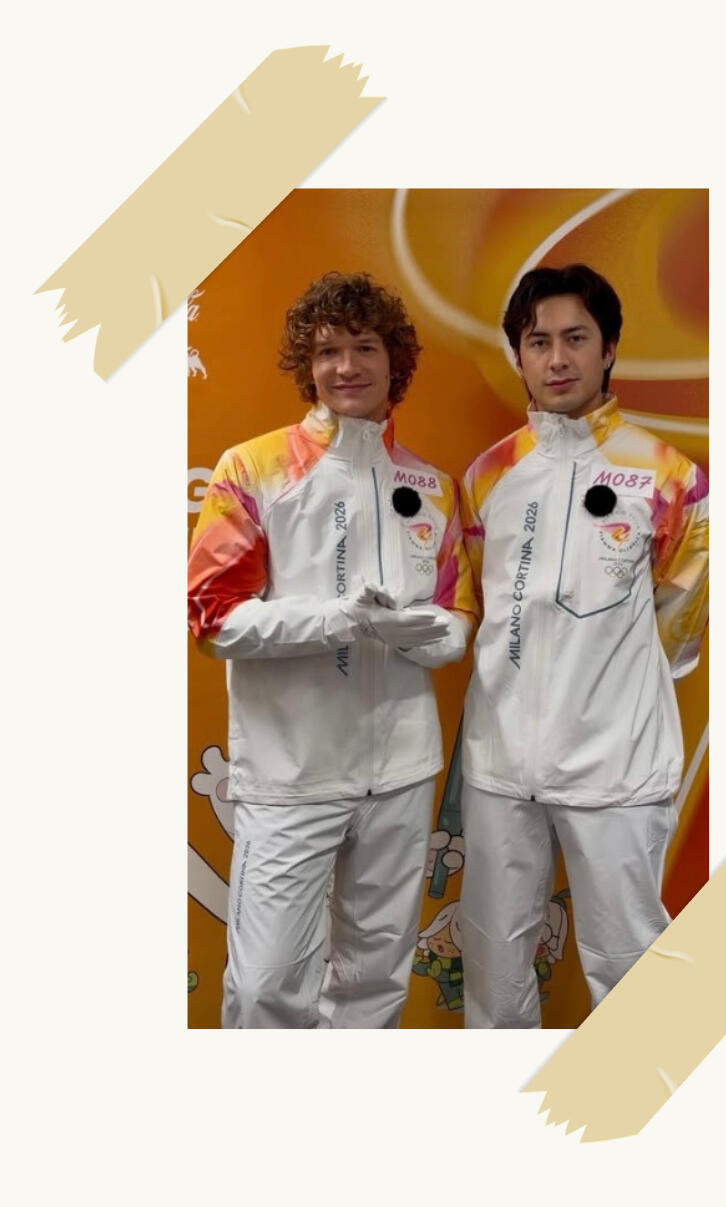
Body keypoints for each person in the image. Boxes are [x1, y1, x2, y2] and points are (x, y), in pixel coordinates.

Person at [188, 272, 477, 1028]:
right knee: (264, 988)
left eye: (364, 347)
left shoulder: (432, 487)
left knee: (372, 984)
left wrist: (432, 637)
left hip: (402, 772)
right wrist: (338, 620)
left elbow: (457, 615)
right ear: (307, 365)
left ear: (394, 361)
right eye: (327, 351)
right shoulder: (252, 469)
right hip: (292, 773)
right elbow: (213, 619)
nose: (346, 366)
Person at [458, 263, 709, 1028]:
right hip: (500, 768)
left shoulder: (669, 477)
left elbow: (680, 622)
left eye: (576, 338)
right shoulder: (487, 475)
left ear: (609, 349)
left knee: (630, 973)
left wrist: (604, 689)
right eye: (539, 342)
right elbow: (487, 609)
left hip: (616, 770)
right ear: (519, 355)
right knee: (493, 972)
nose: (558, 358)